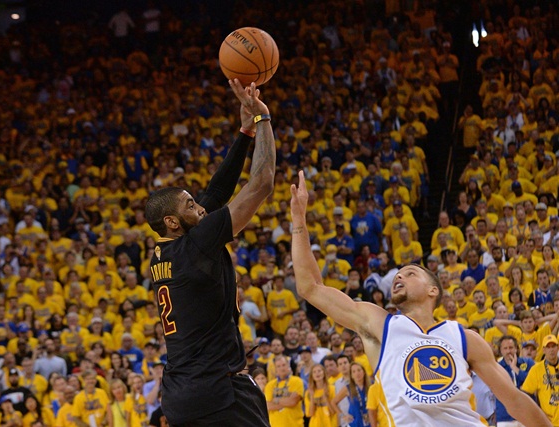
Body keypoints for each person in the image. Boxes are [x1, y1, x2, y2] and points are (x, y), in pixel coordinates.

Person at [289, 170, 552, 426]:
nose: (399, 277)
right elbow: (310, 287)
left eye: (410, 273)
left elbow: (515, 400)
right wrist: (299, 221)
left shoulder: (465, 338)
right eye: (397, 275)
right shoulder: (380, 324)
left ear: (432, 290)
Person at [144, 79, 274, 426]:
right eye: (190, 205)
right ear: (172, 221)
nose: (200, 207)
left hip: (179, 395)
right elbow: (262, 183)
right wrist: (263, 119)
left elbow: (216, 191)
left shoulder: (164, 254)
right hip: (218, 391)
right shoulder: (197, 244)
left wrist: (244, 133)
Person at [521, 334, 559, 424]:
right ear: (543, 350)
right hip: (548, 422)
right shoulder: (536, 369)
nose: (551, 350)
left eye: (553, 346)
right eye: (548, 347)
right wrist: (537, 414)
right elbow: (525, 394)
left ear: (558, 348)